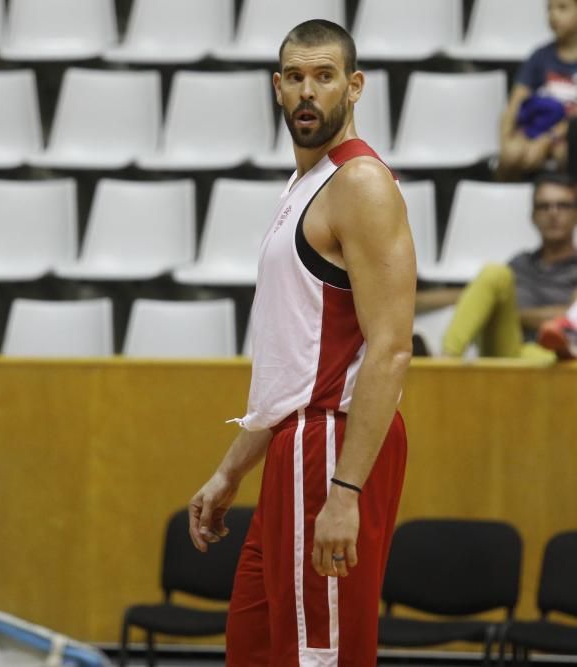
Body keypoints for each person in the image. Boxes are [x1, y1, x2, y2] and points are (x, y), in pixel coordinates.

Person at [187, 20, 415, 666]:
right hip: (298, 442)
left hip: (333, 445)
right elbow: (293, 367)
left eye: (324, 76)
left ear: (356, 85)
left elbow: (391, 349)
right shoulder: (305, 186)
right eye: (295, 77)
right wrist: (233, 466)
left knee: (322, 656)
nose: (307, 92)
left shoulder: (360, 184)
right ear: (277, 87)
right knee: (258, 648)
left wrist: (344, 489)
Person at [441, 172, 577, 360]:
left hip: (559, 359)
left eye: (563, 206)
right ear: (533, 216)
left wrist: (517, 314)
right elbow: (478, 295)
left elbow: (569, 319)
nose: (553, 213)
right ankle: (446, 362)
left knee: (555, 354)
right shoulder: (520, 264)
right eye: (544, 206)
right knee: (494, 273)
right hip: (509, 349)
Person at [497, 0, 577, 180]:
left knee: (564, 153)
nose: (553, 15)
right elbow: (513, 107)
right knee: (512, 154)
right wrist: (506, 143)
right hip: (535, 130)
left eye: (562, 8)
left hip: (566, 136)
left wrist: (547, 140)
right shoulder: (540, 56)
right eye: (549, 9)